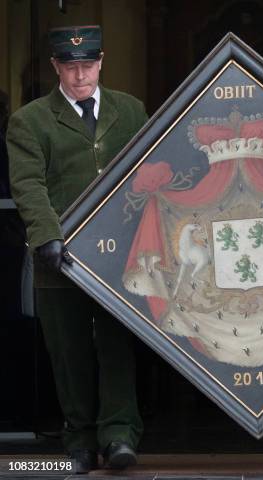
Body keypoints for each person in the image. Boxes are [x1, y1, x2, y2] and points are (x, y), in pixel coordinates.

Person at [7, 25, 147, 474]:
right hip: (59, 256)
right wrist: (46, 234)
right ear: (56, 67)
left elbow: (148, 174)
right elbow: (28, 183)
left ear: (101, 61)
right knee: (68, 350)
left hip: (120, 254)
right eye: (70, 67)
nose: (80, 75)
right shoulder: (29, 120)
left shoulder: (130, 110)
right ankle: (80, 439)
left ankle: (120, 433)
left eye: (87, 65)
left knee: (117, 344)